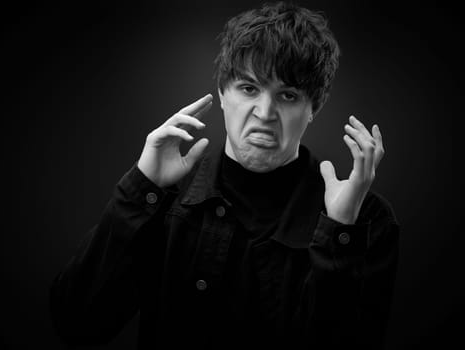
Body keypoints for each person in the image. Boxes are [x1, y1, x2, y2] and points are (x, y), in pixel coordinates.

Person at [50, 2, 399, 349]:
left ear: (313, 109)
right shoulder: (162, 197)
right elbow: (77, 323)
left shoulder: (362, 220)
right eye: (249, 88)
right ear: (221, 93)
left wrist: (340, 234)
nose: (264, 113)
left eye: (288, 95)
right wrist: (142, 188)